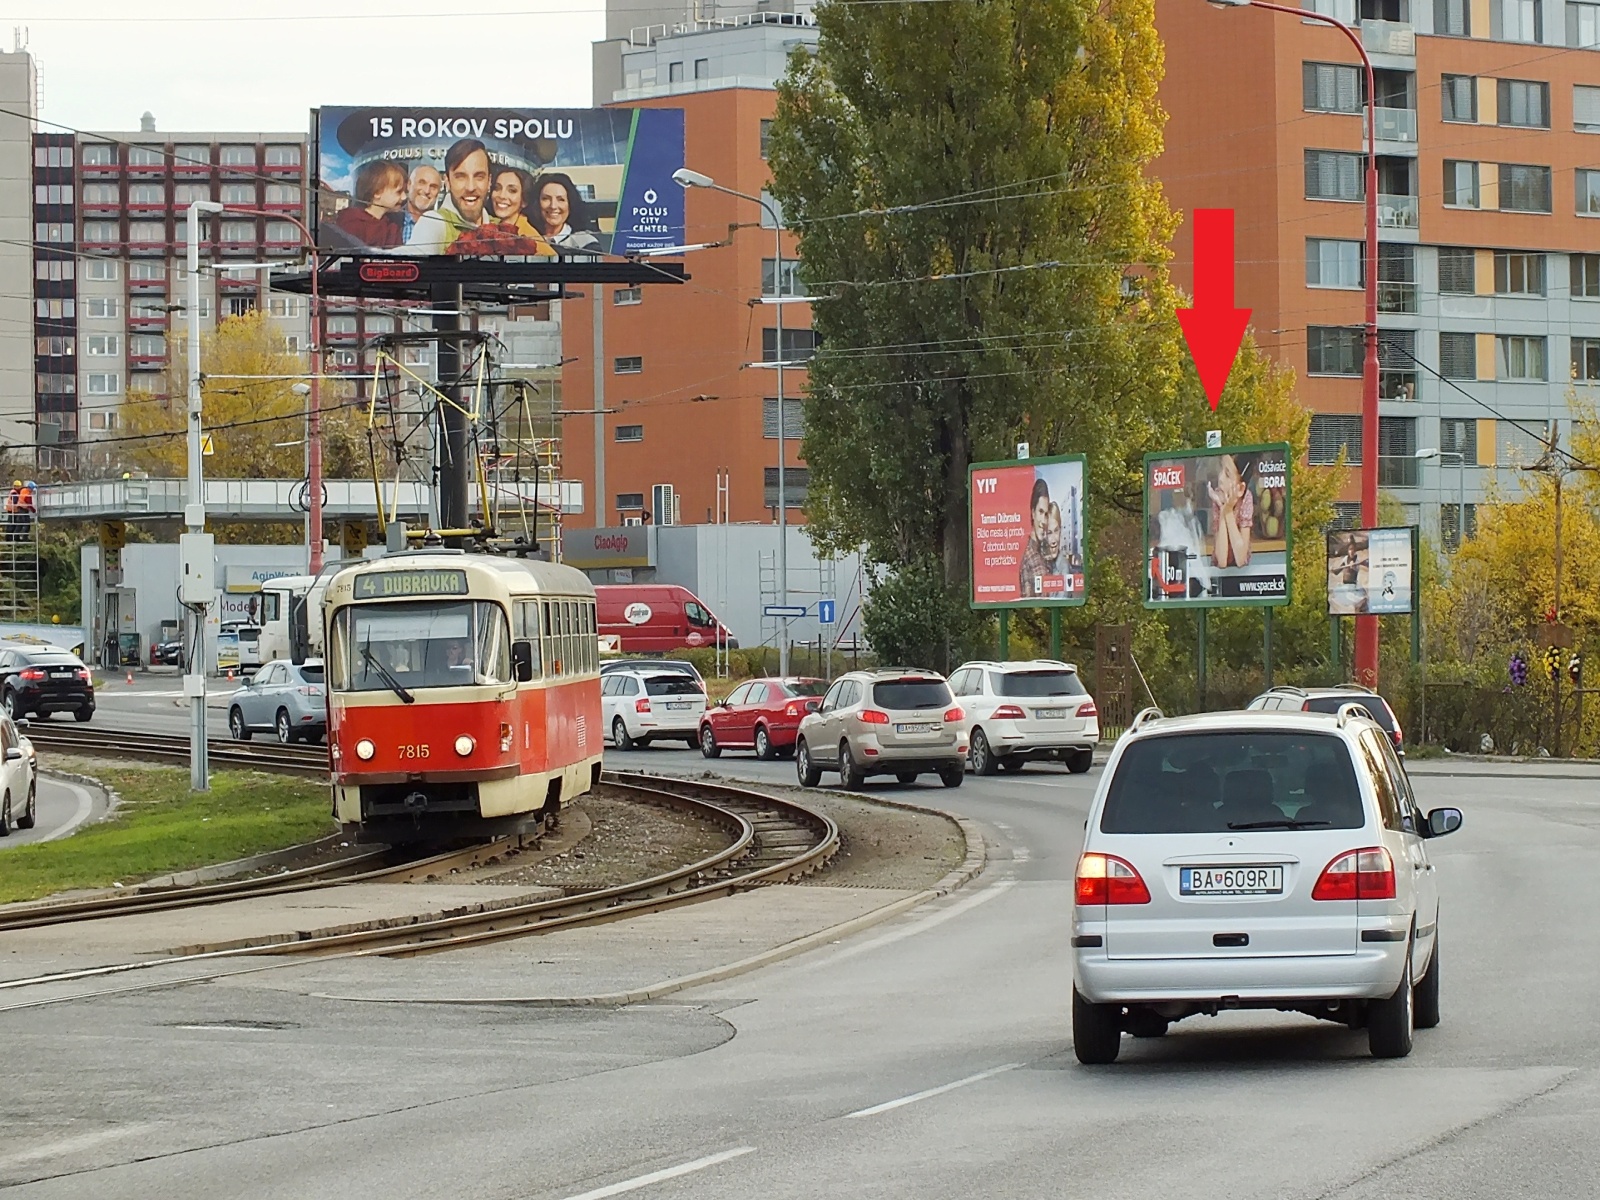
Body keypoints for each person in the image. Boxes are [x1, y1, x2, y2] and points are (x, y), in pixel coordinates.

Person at [404, 139, 492, 254]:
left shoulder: (502, 226)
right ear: (447, 182)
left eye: (479, 176)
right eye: (460, 177)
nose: (470, 187)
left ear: (489, 181)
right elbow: (413, 253)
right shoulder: (433, 222)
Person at [447, 165, 557, 256]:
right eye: (497, 188)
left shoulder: (530, 239)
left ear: (524, 201)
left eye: (512, 191)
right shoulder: (489, 225)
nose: (502, 196)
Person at [332, 159, 406, 249]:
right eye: (399, 192)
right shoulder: (351, 225)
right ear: (377, 192)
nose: (404, 197)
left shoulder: (393, 228)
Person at [1206, 453, 1253, 568]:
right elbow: (1221, 562)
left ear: (1241, 488)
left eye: (1227, 474)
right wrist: (1223, 508)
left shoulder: (1246, 498)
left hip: (1242, 572)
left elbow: (1241, 560)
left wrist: (1228, 510)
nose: (1220, 479)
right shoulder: (1219, 495)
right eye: (1221, 471)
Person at [531, 173, 601, 252]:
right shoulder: (525, 238)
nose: (553, 206)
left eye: (561, 199)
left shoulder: (585, 244)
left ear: (570, 204)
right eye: (546, 199)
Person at [1018, 477, 1051, 597]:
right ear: (1032, 513)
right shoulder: (1028, 560)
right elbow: (1028, 606)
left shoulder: (1044, 553)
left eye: (1046, 514)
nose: (1043, 521)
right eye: (1040, 512)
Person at [400, 164, 441, 243]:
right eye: (422, 183)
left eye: (433, 187)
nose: (426, 191)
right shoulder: (390, 220)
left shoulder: (442, 227)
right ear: (409, 184)